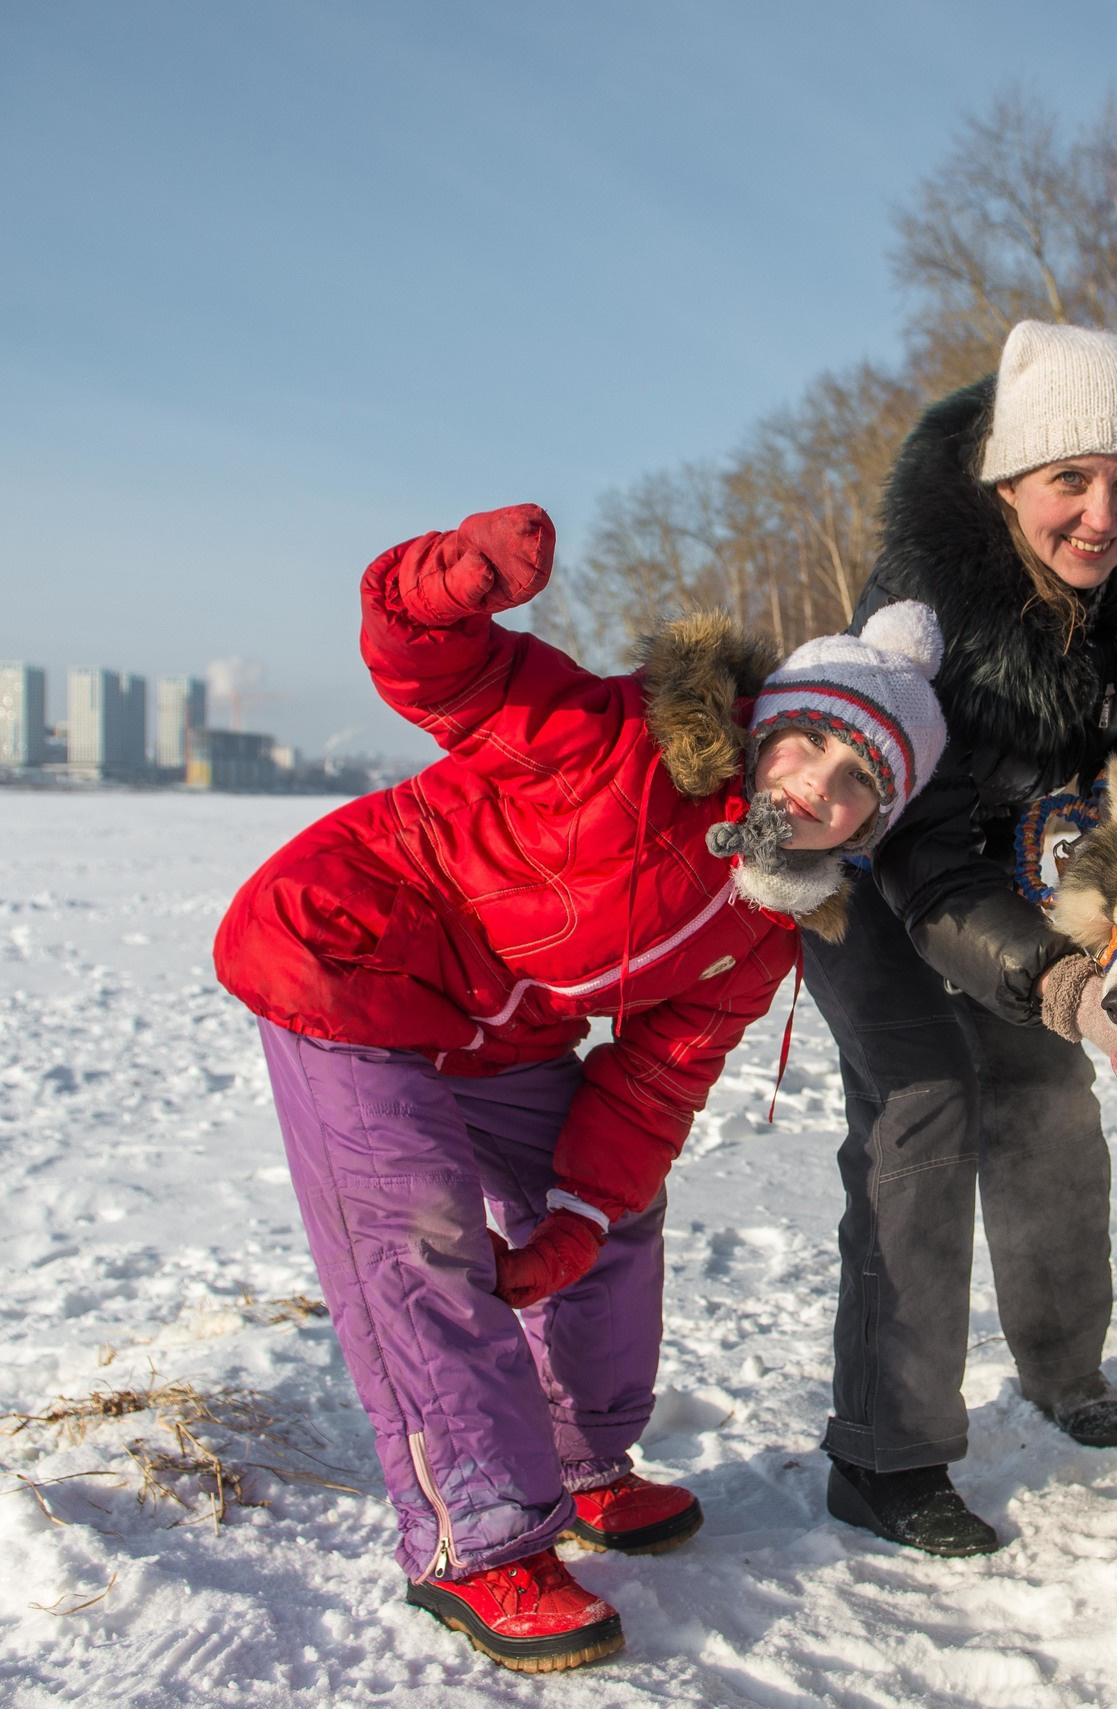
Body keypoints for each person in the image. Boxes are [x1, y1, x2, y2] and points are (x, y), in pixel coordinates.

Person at [213, 504, 946, 1673]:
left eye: (857, 781)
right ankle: (482, 1535)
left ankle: (582, 1457)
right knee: (421, 1238)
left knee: (611, 1212)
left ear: (874, 822)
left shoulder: (767, 922)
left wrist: (579, 1214)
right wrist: (450, 581)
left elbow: (655, 1079)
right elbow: (432, 667)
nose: (815, 786)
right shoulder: (613, 737)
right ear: (765, 726)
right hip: (346, 955)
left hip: (500, 1026)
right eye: (808, 743)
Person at [803, 321, 1117, 1556]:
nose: (1103, 514)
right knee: (921, 1111)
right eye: (1070, 481)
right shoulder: (923, 606)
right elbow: (922, 849)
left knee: (1048, 1095)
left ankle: (1062, 1364)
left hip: (1020, 872)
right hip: (876, 869)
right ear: (1007, 481)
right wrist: (1051, 971)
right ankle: (885, 1456)